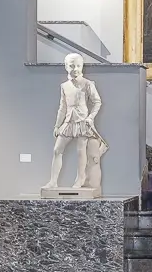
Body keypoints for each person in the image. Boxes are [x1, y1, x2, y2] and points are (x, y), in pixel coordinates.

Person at [44, 53, 108, 192]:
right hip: (68, 120)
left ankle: (80, 178)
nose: (75, 69)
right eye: (72, 66)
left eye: (78, 65)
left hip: (82, 121)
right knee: (57, 150)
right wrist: (57, 125)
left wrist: (90, 117)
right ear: (66, 66)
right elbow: (62, 107)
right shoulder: (64, 86)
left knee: (81, 151)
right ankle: (53, 181)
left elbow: (97, 102)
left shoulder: (87, 84)